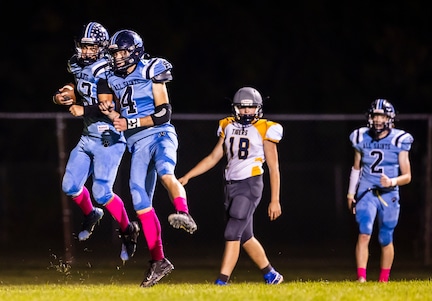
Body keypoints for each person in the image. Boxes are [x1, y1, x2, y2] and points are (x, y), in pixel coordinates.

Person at [98, 29, 197, 288]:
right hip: (136, 144)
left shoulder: (152, 69)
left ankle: (183, 213)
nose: (118, 57)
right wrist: (108, 113)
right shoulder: (109, 77)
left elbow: (164, 113)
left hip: (160, 133)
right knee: (140, 201)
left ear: (135, 51)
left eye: (122, 52)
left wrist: (130, 120)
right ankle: (159, 261)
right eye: (115, 53)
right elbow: (108, 106)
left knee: (166, 172)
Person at [178, 86, 284, 285]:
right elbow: (214, 157)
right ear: (235, 108)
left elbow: (274, 167)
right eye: (242, 108)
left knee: (231, 232)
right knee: (245, 236)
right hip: (230, 185)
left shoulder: (266, 128)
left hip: (250, 184)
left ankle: (222, 281)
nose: (246, 112)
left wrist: (275, 199)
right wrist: (188, 176)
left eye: (250, 108)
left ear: (258, 108)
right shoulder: (227, 125)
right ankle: (271, 275)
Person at [53, 22, 139, 262]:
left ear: (102, 48)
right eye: (84, 46)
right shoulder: (75, 62)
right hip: (88, 135)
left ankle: (127, 229)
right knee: (69, 186)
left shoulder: (108, 69)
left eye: (92, 47)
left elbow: (112, 106)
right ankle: (91, 214)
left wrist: (84, 109)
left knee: (102, 192)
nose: (87, 52)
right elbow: (75, 81)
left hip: (109, 136)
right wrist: (66, 92)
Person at [346, 98, 414, 283]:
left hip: (389, 193)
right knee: (364, 232)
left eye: (382, 116)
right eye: (375, 115)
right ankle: (361, 278)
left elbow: (407, 176)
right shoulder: (361, 137)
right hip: (367, 191)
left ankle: (384, 279)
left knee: (385, 237)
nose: (377, 119)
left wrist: (392, 181)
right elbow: (356, 168)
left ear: (389, 118)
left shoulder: (399, 140)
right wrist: (351, 193)